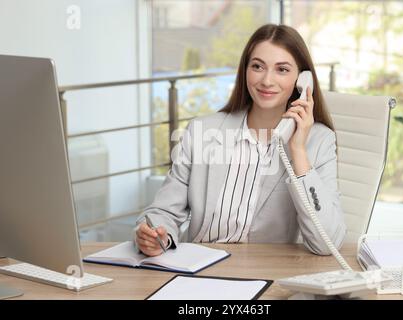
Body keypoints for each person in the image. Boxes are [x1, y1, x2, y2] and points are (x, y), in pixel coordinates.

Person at [135, 24, 346, 257]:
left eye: (282, 70)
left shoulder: (319, 141)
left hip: (264, 271)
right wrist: (154, 235)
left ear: (302, 79)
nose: (267, 80)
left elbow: (327, 243)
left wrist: (297, 150)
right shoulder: (203, 131)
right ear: (245, 70)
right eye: (258, 66)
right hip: (197, 267)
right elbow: (163, 211)